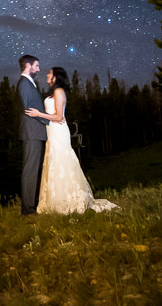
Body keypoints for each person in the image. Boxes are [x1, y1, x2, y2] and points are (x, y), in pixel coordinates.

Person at [27, 66, 119, 214]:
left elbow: (58, 117)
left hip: (58, 130)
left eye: (50, 74)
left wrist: (39, 114)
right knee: (53, 162)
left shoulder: (59, 91)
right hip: (52, 131)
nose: (47, 75)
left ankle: (68, 199)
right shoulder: (53, 92)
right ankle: (56, 200)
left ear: (56, 77)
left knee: (61, 161)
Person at [16, 54, 47, 215]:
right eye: (36, 66)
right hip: (32, 133)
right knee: (30, 171)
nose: (38, 69)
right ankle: (28, 210)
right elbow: (29, 109)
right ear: (28, 66)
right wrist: (49, 121)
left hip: (35, 132)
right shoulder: (25, 84)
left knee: (35, 170)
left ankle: (33, 205)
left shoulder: (29, 83)